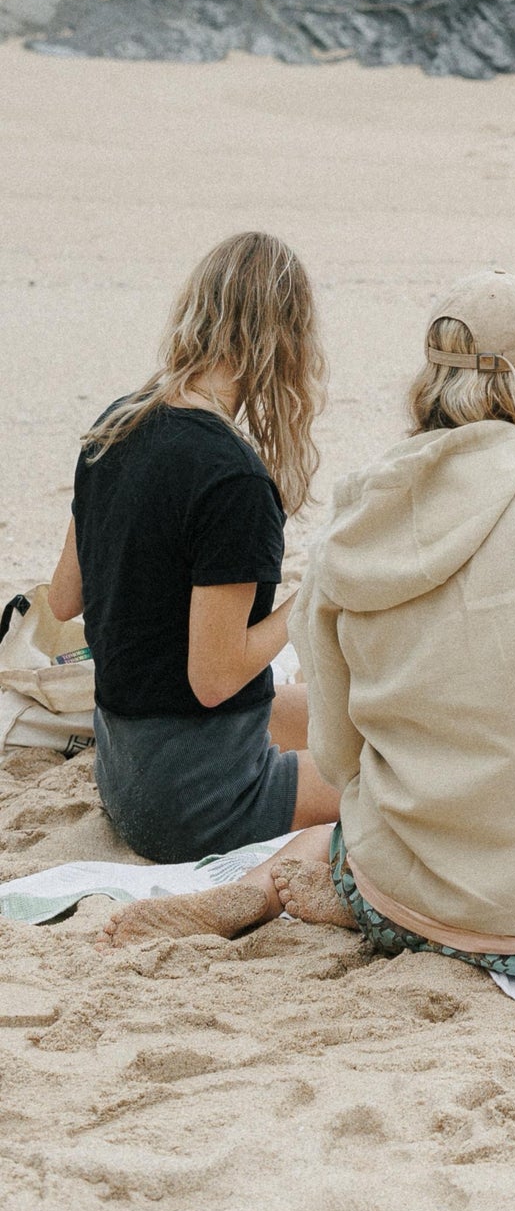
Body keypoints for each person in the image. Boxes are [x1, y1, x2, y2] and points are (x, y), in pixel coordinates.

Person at [106, 267, 515, 961]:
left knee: (335, 838)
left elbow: (338, 755)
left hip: (397, 896)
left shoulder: (361, 507)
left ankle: (265, 891)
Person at [48, 231, 339, 862]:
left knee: (358, 719)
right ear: (286, 342)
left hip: (124, 769)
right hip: (196, 796)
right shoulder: (233, 478)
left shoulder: (116, 423)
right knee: (399, 783)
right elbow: (214, 679)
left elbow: (64, 599)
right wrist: (309, 596)